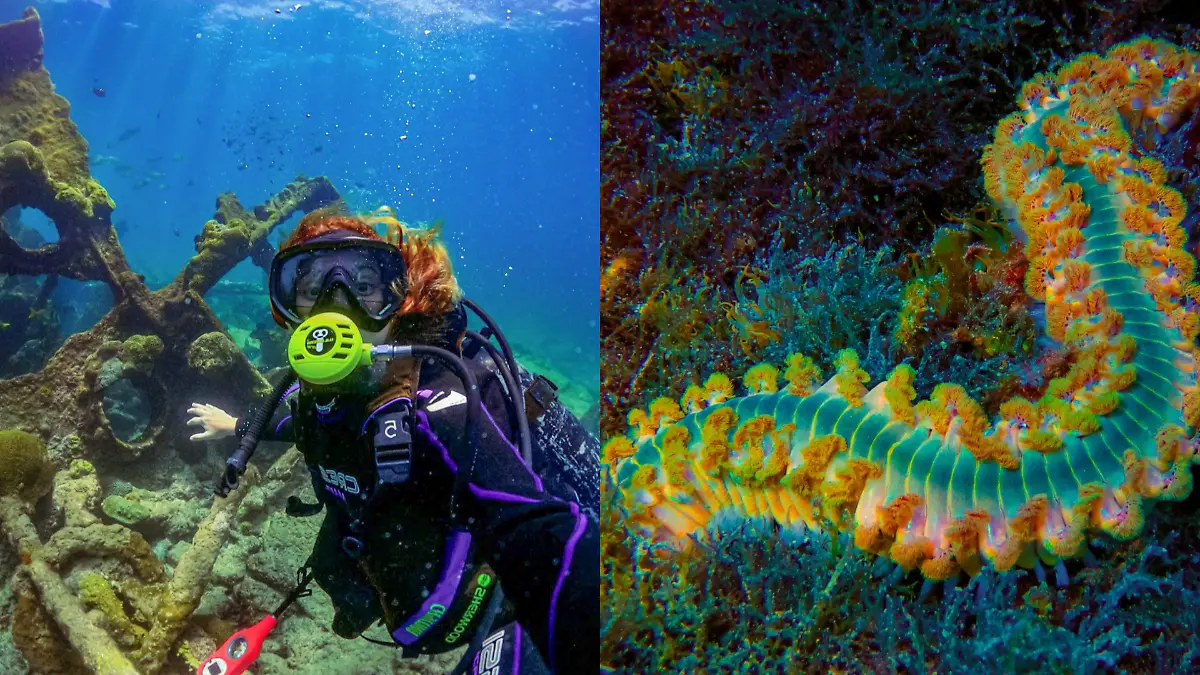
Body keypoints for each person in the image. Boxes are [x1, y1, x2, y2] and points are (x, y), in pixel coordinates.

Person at [186, 208, 599, 675]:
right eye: (312, 289)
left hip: (495, 604)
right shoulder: (318, 397)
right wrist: (237, 425)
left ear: (398, 301)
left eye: (362, 286)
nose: (336, 308)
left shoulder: (439, 408)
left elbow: (537, 533)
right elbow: (298, 425)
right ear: (288, 311)